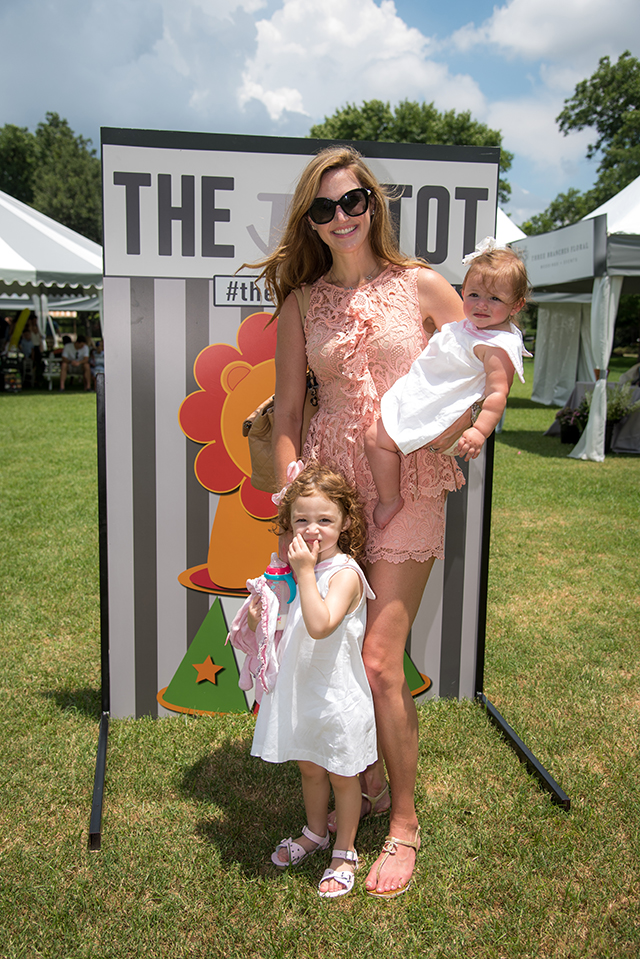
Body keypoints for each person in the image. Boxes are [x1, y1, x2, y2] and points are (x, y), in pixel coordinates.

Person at [250, 146, 473, 898]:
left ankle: (403, 822)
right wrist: (295, 493)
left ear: (373, 203)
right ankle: (365, 779)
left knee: (379, 658)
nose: (341, 216)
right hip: (333, 495)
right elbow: (287, 412)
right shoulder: (301, 303)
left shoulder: (422, 285)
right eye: (324, 207)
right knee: (335, 649)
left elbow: (483, 368)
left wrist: (454, 429)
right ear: (310, 221)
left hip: (408, 479)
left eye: (353, 201)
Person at [250, 462, 376, 899]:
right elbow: (288, 623)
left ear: (345, 522)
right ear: (288, 523)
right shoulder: (294, 567)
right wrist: (261, 612)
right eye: (301, 519)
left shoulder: (345, 574)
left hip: (337, 695)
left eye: (325, 519)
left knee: (342, 773)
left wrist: (304, 572)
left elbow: (321, 625)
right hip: (302, 688)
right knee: (309, 766)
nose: (312, 529)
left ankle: (344, 851)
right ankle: (315, 832)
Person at [365, 243, 531, 529]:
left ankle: (389, 499)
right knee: (375, 438)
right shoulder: (469, 328)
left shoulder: (497, 346)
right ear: (462, 292)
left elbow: (497, 393)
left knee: (374, 439)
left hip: (441, 413)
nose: (481, 304)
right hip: (429, 400)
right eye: (474, 294)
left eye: (494, 298)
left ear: (516, 305)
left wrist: (479, 431)